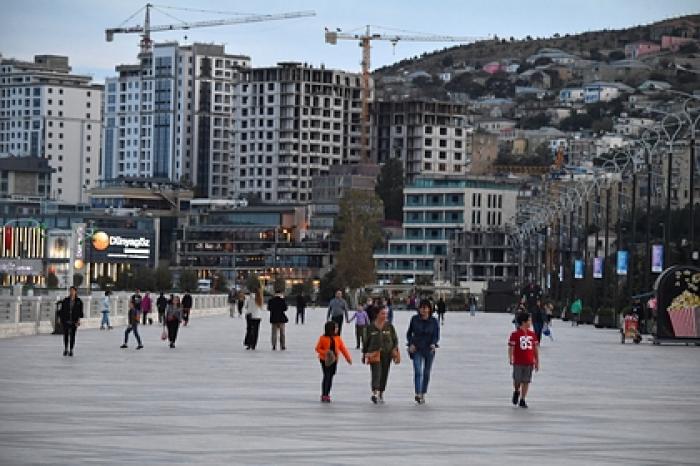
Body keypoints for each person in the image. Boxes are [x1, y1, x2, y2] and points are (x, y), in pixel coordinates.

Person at [362, 305, 399, 404]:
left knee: (384, 373)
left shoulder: (389, 326)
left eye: (386, 313)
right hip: (374, 353)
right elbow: (366, 341)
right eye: (383, 313)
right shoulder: (370, 327)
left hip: (387, 353)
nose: (385, 315)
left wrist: (395, 350)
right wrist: (364, 353)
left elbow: (395, 340)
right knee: (376, 373)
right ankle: (375, 392)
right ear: (377, 314)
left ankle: (381, 392)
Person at [407, 299, 440, 404]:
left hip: (429, 349)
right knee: (418, 371)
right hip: (417, 348)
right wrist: (411, 343)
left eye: (426, 308)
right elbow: (409, 333)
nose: (424, 310)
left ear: (430, 309)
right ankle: (417, 393)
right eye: (422, 308)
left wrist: (434, 343)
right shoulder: (414, 319)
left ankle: (423, 393)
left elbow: (436, 335)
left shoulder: (434, 321)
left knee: (426, 372)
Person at [314, 321, 352, 402]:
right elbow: (317, 348)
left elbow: (342, 348)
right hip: (325, 360)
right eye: (336, 328)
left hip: (334, 360)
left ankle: (327, 393)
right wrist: (325, 352)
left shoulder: (337, 338)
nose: (337, 329)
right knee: (327, 376)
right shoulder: (323, 338)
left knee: (331, 376)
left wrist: (348, 358)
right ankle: (324, 394)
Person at [508, 312, 540, 408]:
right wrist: (511, 357)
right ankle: (517, 391)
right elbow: (511, 348)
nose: (530, 322)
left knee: (526, 380)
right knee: (517, 379)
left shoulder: (532, 335)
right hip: (518, 361)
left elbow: (535, 348)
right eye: (529, 320)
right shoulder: (515, 334)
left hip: (529, 361)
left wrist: (537, 361)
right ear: (523, 322)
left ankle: (522, 399)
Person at [58, 286, 83, 356]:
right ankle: (66, 349)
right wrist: (60, 319)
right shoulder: (65, 300)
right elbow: (62, 310)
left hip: (74, 320)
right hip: (66, 320)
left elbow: (80, 312)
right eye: (70, 291)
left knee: (72, 336)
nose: (71, 292)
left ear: (75, 291)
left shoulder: (79, 301)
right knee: (66, 335)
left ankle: (71, 349)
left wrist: (78, 320)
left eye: (73, 291)